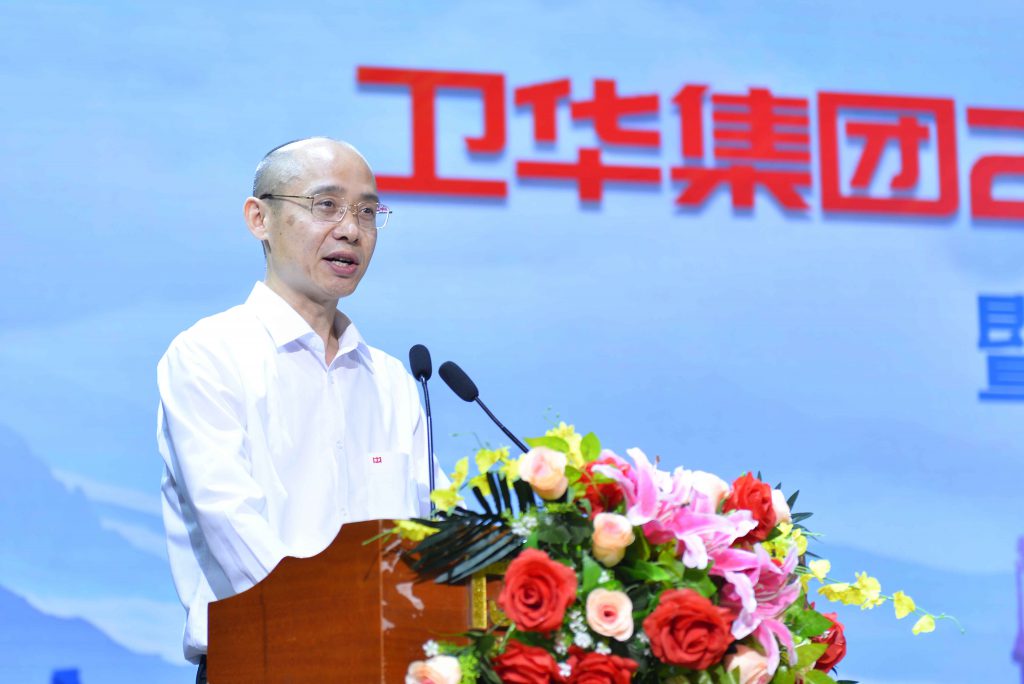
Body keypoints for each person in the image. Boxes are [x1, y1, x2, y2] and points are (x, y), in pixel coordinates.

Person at [156, 138, 436, 683]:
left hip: (387, 664)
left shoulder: (394, 382)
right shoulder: (208, 356)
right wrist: (339, 625)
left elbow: (424, 530)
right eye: (326, 205)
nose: (351, 230)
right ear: (258, 218)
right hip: (264, 660)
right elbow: (231, 523)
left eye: (367, 212)